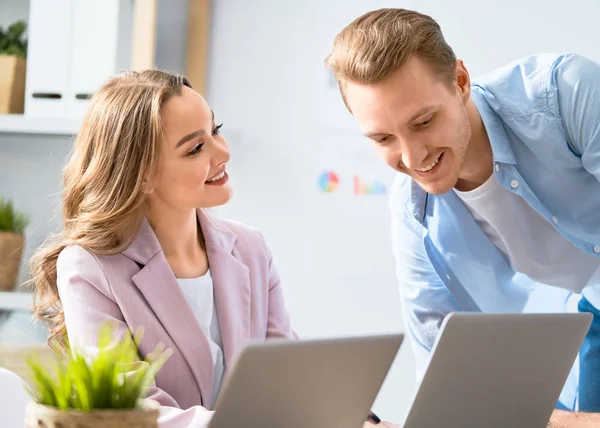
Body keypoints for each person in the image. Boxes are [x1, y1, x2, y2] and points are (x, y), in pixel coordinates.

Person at [326, 7, 600, 427]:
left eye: (423, 121)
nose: (413, 158)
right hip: (561, 372)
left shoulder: (565, 95)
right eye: (383, 138)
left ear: (460, 81)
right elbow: (444, 380)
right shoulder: (414, 217)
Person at [29, 70, 296, 427]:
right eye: (196, 148)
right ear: (141, 174)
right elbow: (132, 411)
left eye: (215, 130)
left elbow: (290, 377)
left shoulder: (251, 248)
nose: (223, 152)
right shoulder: (90, 268)